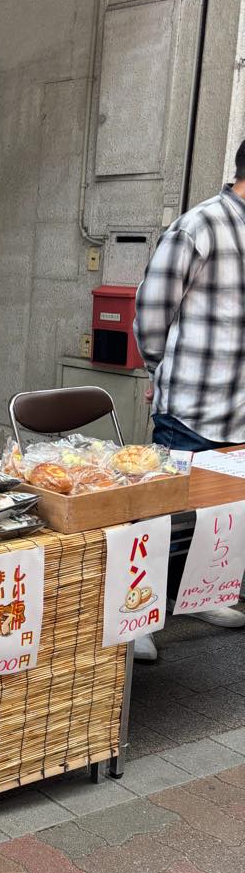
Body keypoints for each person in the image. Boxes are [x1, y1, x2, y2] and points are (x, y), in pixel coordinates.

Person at [133, 139, 245, 659]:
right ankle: (138, 616)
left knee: (223, 514)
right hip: (191, 406)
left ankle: (200, 593)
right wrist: (160, 370)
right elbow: (152, 309)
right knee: (162, 513)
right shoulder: (199, 225)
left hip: (241, 409)